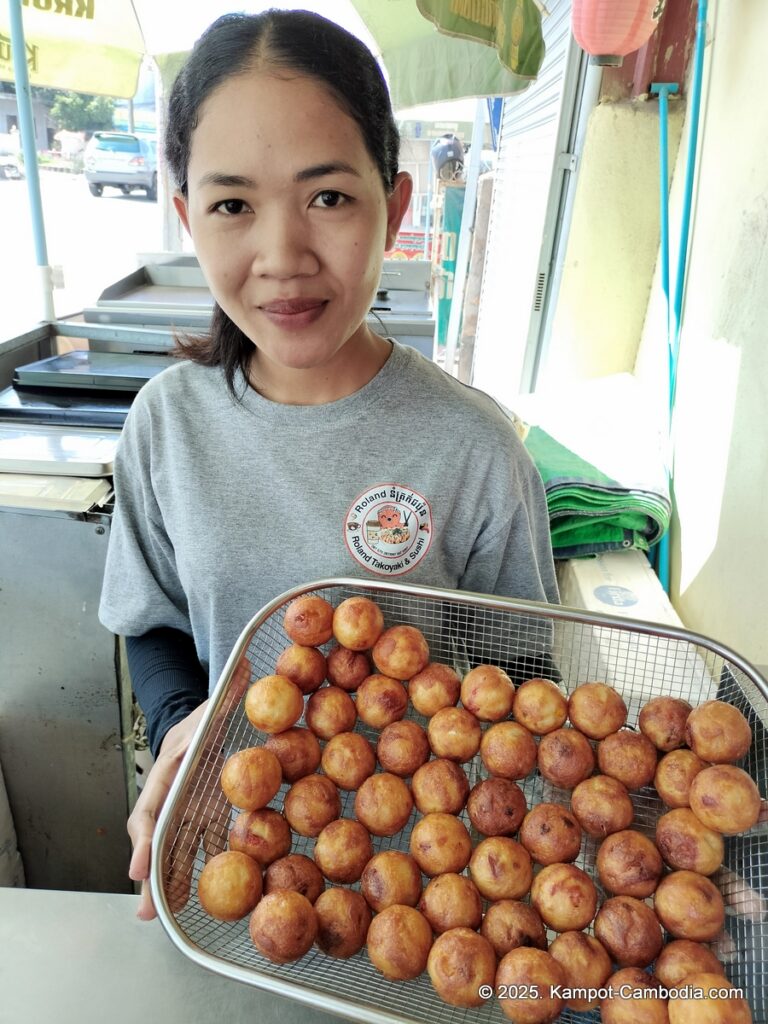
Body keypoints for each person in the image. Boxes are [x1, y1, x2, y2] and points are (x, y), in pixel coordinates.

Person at [98, 8, 559, 920]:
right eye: (233, 205)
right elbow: (148, 623)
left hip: (434, 896)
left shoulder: (470, 448)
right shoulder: (168, 424)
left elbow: (526, 673)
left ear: (394, 206)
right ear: (188, 216)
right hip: (231, 861)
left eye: (329, 197)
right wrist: (190, 718)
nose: (282, 258)